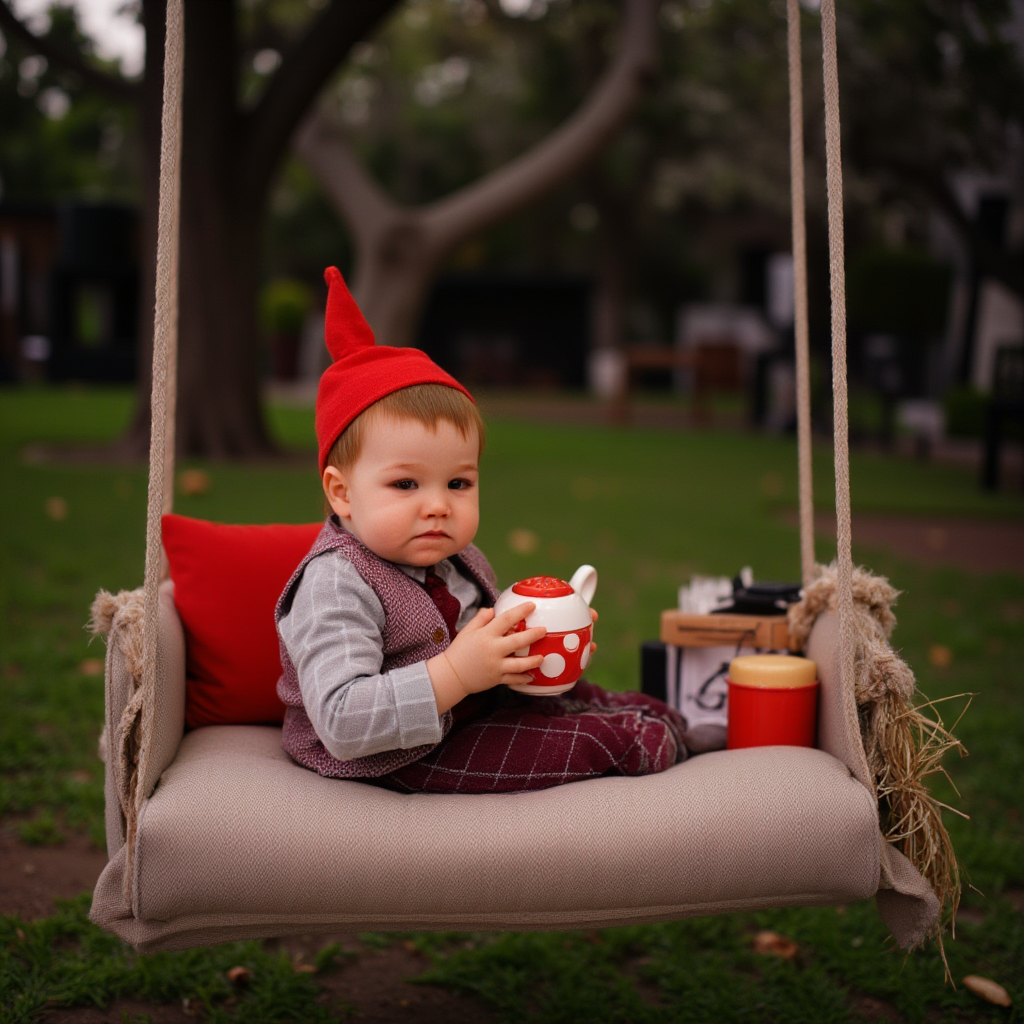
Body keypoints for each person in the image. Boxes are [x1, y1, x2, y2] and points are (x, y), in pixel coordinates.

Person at [275, 266, 687, 793]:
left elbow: (479, 652)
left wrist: (532, 644)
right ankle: (646, 739)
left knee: (595, 697)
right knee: (597, 739)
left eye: (458, 483)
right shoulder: (337, 583)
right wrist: (456, 675)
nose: (439, 507)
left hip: (469, 712)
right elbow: (341, 719)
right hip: (390, 757)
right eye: (405, 485)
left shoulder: (458, 560)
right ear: (342, 493)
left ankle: (661, 718)